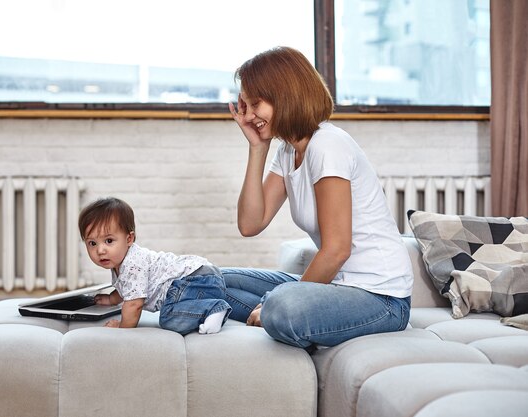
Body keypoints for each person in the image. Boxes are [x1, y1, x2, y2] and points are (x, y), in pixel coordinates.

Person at [223, 46, 413, 349]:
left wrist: (280, 300)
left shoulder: (328, 145)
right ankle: (272, 312)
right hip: (337, 288)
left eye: (255, 103)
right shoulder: (288, 150)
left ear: (283, 94)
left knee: (284, 308)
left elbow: (337, 250)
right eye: (244, 105)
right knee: (213, 279)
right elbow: (250, 224)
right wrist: (257, 148)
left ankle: (273, 312)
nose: (249, 114)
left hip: (382, 299)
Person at [79, 197, 231, 335]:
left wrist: (122, 328)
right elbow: (128, 288)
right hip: (202, 276)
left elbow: (133, 304)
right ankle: (212, 306)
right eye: (92, 243)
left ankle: (213, 308)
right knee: (172, 308)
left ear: (129, 238)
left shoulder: (132, 264)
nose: (100, 250)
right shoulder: (122, 261)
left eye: (109, 241)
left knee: (168, 317)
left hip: (190, 280)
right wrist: (111, 299)